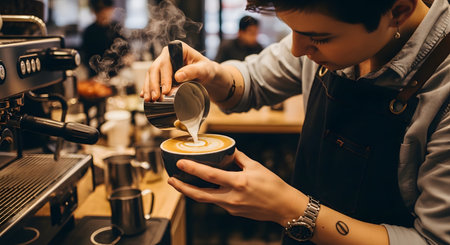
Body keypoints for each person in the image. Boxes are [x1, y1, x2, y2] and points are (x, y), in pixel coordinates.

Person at [142, 0, 450, 244]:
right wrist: (211, 73)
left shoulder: (443, 86)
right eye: (292, 31)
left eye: (318, 38)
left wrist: (290, 209)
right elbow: (252, 81)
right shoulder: (327, 28)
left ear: (397, 11)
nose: (297, 50)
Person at [81, 0, 127, 78]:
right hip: (96, 76)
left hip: (118, 76)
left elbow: (127, 50)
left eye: (107, 10)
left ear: (112, 9)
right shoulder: (89, 31)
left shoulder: (117, 27)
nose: (104, 14)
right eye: (101, 11)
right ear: (94, 12)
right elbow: (86, 57)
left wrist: (128, 57)